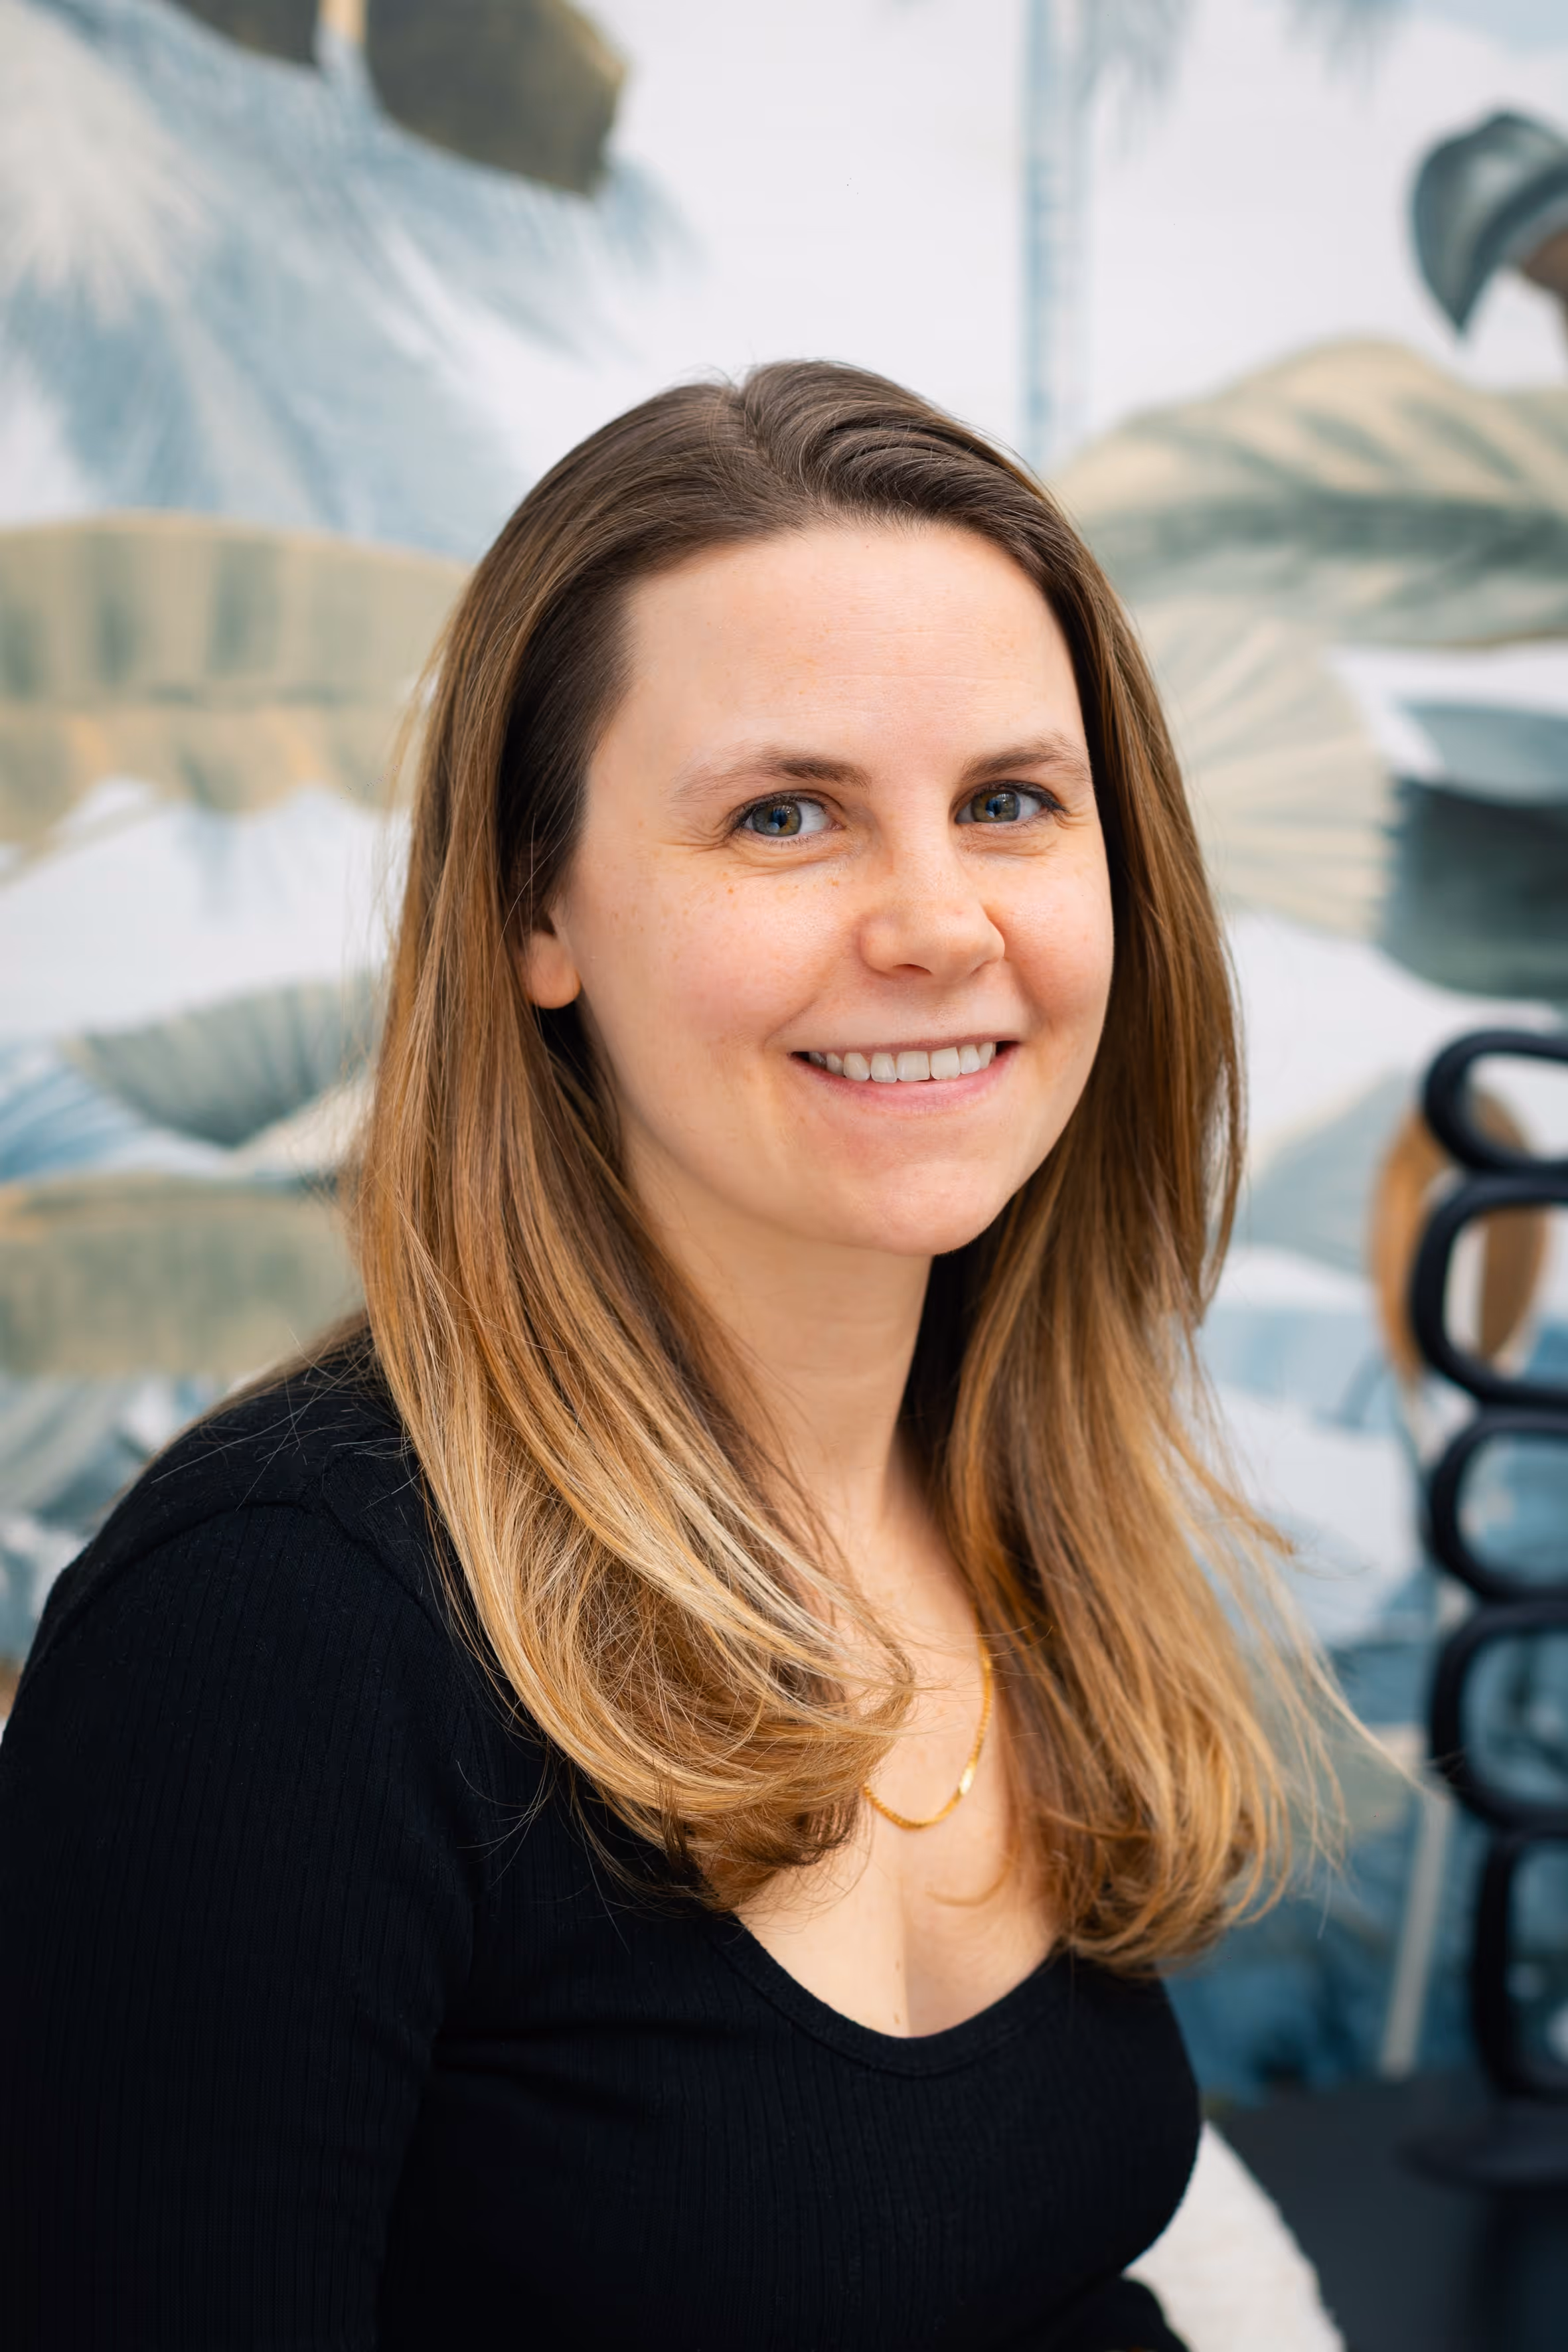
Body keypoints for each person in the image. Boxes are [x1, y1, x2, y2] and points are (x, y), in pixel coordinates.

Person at [0, 361, 1332, 2350]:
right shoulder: (277, 1634)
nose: (938, 919)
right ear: (541, 907)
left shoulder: (1011, 1486)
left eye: (1009, 802)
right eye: (784, 814)